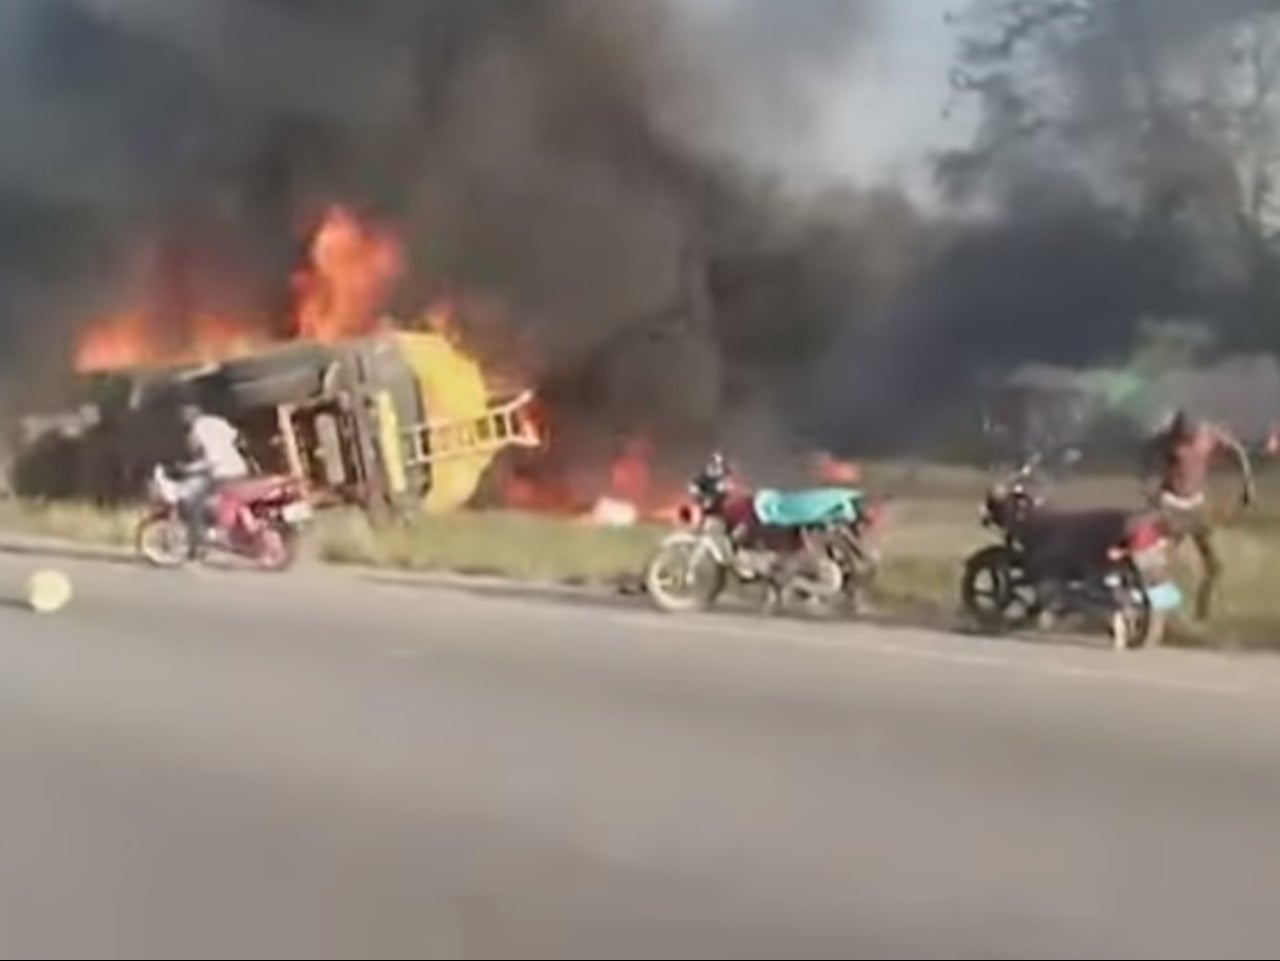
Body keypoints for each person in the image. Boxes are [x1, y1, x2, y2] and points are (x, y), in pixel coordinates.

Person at [1141, 409, 1255, 620]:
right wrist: (1150, 488)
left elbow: (1237, 450)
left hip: (1194, 507)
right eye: (1180, 432)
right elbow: (1149, 457)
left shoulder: (1207, 438)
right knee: (1161, 564)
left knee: (1213, 567)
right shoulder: (1168, 442)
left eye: (1186, 432)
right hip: (1170, 506)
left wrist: (1247, 485)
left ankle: (1201, 613)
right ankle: (1159, 614)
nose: (1183, 436)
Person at [178, 403, 249, 559]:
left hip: (222, 472)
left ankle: (204, 541)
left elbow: (209, 458)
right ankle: (213, 534)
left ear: (189, 418)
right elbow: (237, 437)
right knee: (219, 498)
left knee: (194, 502)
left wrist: (190, 468)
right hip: (238, 467)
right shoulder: (217, 421)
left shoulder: (197, 429)